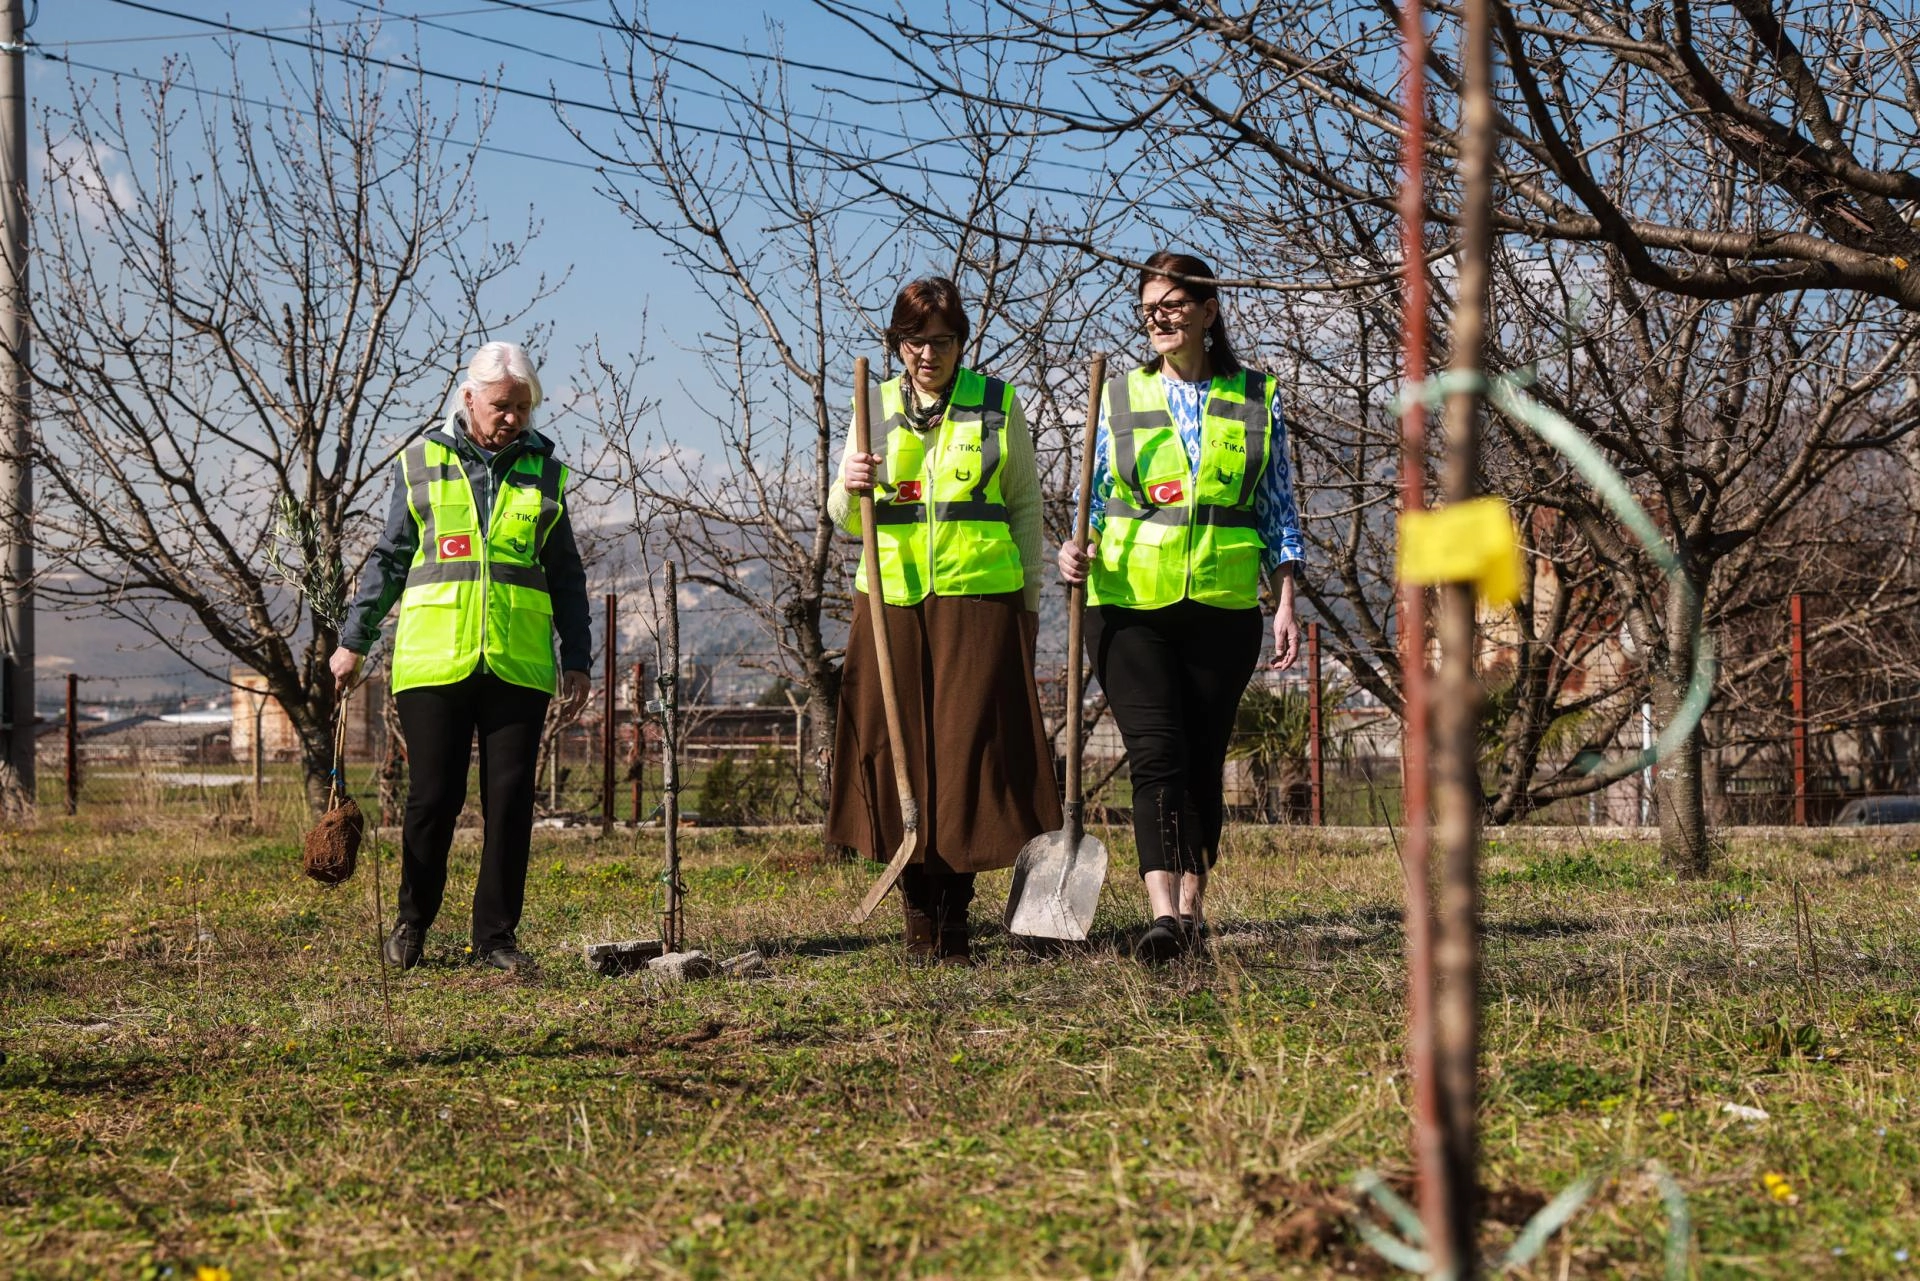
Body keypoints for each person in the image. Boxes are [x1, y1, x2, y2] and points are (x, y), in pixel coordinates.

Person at [1059, 251, 1304, 962]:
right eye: (1149, 310)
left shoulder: (1257, 396)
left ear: (1208, 311)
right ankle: (1162, 913)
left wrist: (1285, 597)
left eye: (1172, 305)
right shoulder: (1118, 396)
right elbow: (1093, 502)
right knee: (1156, 754)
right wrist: (1074, 549)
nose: (1159, 319)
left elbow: (1277, 506)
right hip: (1127, 603)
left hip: (1224, 605)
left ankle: (1193, 911)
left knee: (1202, 759)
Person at [330, 341, 592, 976]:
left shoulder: (547, 473)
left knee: (509, 802)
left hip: (517, 662)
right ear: (469, 398)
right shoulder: (420, 461)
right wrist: (353, 640)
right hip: (433, 661)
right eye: (503, 406)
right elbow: (391, 557)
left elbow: (566, 576)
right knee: (432, 799)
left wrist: (578, 658)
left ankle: (496, 937)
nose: (514, 418)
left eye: (523, 408)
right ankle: (411, 925)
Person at [825, 276, 1062, 964]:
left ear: (962, 342)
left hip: (979, 601)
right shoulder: (872, 405)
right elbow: (842, 518)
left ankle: (955, 915)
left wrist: (1029, 606)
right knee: (898, 752)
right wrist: (851, 485)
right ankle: (917, 911)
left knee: (965, 758)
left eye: (943, 341)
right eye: (915, 341)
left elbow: (1024, 508)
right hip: (891, 601)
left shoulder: (997, 404)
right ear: (896, 343)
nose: (928, 354)